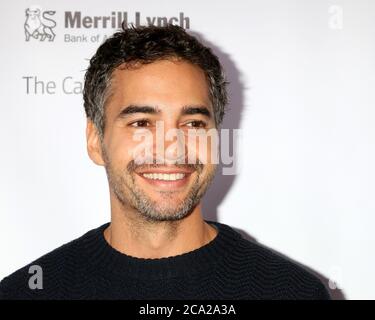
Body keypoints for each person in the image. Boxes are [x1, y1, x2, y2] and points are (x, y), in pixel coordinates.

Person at [0, 24, 330, 300]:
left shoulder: (292, 293)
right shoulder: (27, 293)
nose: (172, 149)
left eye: (193, 124)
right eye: (141, 122)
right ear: (95, 140)